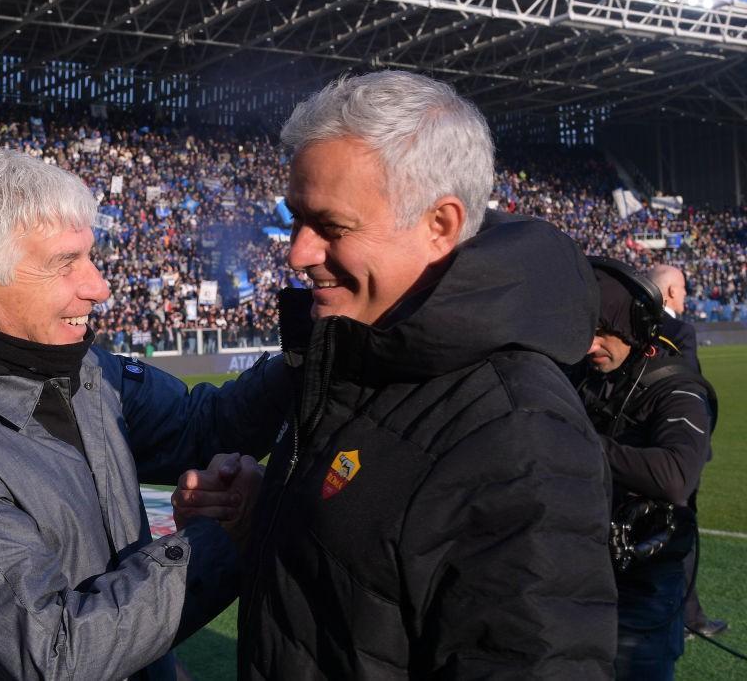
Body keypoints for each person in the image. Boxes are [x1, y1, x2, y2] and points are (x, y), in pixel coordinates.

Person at [173, 71, 617, 678]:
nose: (297, 253)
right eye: (297, 219)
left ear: (440, 225)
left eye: (331, 227)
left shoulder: (518, 432)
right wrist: (263, 526)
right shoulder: (349, 361)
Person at [0, 147, 287, 679]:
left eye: (90, 256)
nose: (99, 287)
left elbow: (200, 428)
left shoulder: (82, 369)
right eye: (65, 264)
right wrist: (220, 542)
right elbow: (53, 655)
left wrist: (303, 362)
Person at [572, 257, 715, 680]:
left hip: (645, 583)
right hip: (583, 570)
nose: (589, 346)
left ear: (632, 324)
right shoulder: (588, 374)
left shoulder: (678, 387)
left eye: (601, 331)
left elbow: (675, 476)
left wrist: (577, 444)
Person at [647, 263, 726, 639]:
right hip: (676, 452)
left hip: (640, 453)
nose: (687, 295)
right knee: (680, 533)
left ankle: (679, 614)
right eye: (683, 288)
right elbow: (690, 390)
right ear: (671, 293)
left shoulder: (631, 324)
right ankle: (689, 619)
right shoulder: (678, 331)